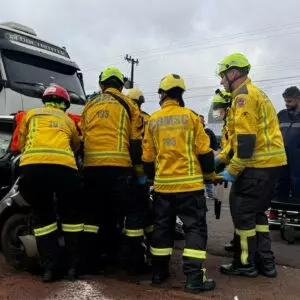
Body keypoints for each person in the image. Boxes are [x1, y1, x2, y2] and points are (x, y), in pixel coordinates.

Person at [142, 73, 216, 293]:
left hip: (163, 188)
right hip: (190, 187)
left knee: (162, 229)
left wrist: (151, 179)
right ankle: (194, 279)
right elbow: (205, 151)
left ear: (163, 94)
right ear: (181, 93)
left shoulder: (153, 120)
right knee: (194, 229)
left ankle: (158, 273)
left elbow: (147, 157)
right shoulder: (191, 117)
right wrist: (210, 175)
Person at [216, 52, 287, 278]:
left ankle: (245, 264)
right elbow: (238, 140)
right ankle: (266, 263)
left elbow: (246, 145)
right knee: (258, 215)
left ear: (234, 73)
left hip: (258, 166)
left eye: (222, 75)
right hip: (270, 165)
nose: (221, 81)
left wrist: (231, 171)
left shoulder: (242, 97)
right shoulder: (255, 93)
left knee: (243, 214)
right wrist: (221, 159)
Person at [80, 67, 145, 274]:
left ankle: (91, 261)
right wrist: (139, 172)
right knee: (132, 211)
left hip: (91, 169)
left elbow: (82, 137)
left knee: (94, 216)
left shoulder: (89, 105)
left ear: (102, 85)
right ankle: (132, 262)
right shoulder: (128, 104)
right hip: (119, 169)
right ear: (120, 84)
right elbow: (136, 143)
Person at [17, 85, 82, 282]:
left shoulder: (30, 115)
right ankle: (73, 268)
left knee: (43, 219)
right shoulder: (67, 119)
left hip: (32, 168)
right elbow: (75, 145)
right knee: (71, 218)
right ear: (64, 103)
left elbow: (22, 141)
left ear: (45, 100)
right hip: (64, 169)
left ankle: (49, 270)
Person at [211, 89, 235, 251]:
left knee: (242, 209)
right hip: (238, 167)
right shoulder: (227, 124)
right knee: (238, 208)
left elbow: (235, 148)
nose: (216, 111)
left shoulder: (236, 121)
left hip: (245, 169)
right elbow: (228, 148)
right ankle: (239, 240)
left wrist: (219, 160)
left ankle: (244, 248)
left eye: (219, 107)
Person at [275, 86, 300, 203]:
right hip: (281, 158)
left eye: (289, 101)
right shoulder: (281, 115)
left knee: (297, 185)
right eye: (285, 101)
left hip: (297, 160)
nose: (286, 104)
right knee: (280, 184)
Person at [198, 114, 218, 199]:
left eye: (201, 120)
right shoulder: (195, 131)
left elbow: (212, 144)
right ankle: (200, 193)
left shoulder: (207, 131)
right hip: (198, 156)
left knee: (208, 174)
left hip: (207, 156)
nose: (200, 121)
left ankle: (209, 193)